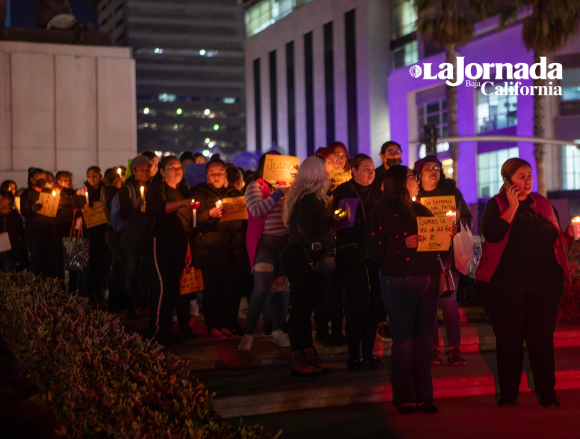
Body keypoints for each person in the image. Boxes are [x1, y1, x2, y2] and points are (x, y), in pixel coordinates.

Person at [476, 158, 573, 408]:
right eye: (521, 176)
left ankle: (547, 392)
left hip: (544, 286)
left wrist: (569, 235)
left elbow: (554, 239)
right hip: (506, 288)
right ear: (507, 180)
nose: (527, 180)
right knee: (509, 339)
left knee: (542, 339)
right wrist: (512, 205)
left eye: (529, 175)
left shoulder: (542, 203)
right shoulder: (496, 205)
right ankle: (509, 394)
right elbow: (493, 233)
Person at [367, 165, 457, 414]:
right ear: (397, 182)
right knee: (404, 343)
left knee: (425, 343)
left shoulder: (421, 209)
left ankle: (425, 396)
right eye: (412, 177)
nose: (417, 181)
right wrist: (401, 243)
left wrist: (446, 236)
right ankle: (405, 396)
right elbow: (374, 251)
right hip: (398, 282)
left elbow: (439, 249)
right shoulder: (381, 212)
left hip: (427, 282)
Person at [282, 156, 343, 376]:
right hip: (302, 257)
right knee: (301, 309)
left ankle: (307, 353)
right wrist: (332, 217)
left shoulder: (306, 197)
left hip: (300, 256)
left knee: (305, 307)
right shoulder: (308, 198)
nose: (328, 174)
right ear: (317, 174)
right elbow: (307, 228)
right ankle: (299, 359)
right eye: (325, 170)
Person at [414, 155, 473, 366]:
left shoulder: (452, 193)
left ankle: (455, 350)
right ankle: (434, 351)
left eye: (436, 167)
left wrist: (457, 219)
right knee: (428, 304)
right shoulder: (414, 196)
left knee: (448, 301)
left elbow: (468, 219)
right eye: (427, 168)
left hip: (447, 256)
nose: (433, 171)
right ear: (418, 175)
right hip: (423, 257)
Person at [332, 154, 382, 370]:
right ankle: (354, 355)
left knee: (374, 304)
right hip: (353, 254)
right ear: (354, 170)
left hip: (375, 255)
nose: (371, 173)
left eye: (372, 169)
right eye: (366, 169)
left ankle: (368, 352)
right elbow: (336, 221)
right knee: (357, 305)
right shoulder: (343, 192)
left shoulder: (379, 193)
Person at [238, 152, 291, 352]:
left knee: (280, 285)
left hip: (284, 242)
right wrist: (278, 193)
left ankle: (277, 329)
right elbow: (257, 210)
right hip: (264, 243)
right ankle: (249, 333)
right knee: (261, 288)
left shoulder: (287, 185)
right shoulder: (255, 186)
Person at [145, 156, 195, 345]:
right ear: (161, 172)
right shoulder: (157, 189)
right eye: (172, 168)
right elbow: (157, 209)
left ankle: (166, 330)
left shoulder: (182, 191)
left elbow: (185, 221)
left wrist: (188, 245)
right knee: (162, 286)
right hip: (160, 244)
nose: (177, 171)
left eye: (179, 167)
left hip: (179, 244)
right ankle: (156, 331)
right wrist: (182, 204)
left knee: (174, 288)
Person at [191, 155, 244, 336]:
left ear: (226, 175)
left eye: (220, 173)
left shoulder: (235, 194)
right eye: (212, 174)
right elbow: (193, 218)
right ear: (207, 175)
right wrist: (209, 214)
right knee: (212, 289)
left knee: (230, 289)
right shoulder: (199, 193)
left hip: (232, 249)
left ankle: (227, 324)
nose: (216, 177)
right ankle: (213, 325)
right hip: (209, 249)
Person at [119, 156, 152, 318]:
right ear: (133, 171)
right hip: (133, 235)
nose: (145, 173)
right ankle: (130, 305)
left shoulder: (153, 187)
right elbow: (123, 213)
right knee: (131, 271)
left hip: (148, 235)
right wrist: (134, 206)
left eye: (147, 169)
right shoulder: (127, 189)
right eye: (142, 170)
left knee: (145, 271)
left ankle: (143, 304)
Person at [20, 168, 60, 279]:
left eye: (44, 177)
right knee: (37, 265)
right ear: (32, 180)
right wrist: (33, 209)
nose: (42, 179)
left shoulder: (48, 191)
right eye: (39, 177)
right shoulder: (27, 194)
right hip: (35, 235)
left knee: (51, 265)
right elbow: (24, 211)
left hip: (51, 234)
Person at [80, 166, 108, 300]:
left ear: (100, 176)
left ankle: (101, 288)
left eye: (95, 175)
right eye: (89, 175)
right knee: (89, 261)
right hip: (89, 231)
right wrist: (83, 208)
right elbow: (75, 208)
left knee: (102, 260)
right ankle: (89, 290)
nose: (92, 178)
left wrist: (103, 206)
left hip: (103, 230)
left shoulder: (105, 190)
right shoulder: (82, 192)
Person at [101, 168, 124, 312]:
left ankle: (114, 301)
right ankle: (116, 301)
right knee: (118, 266)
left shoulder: (105, 190)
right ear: (116, 179)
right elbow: (117, 216)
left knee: (116, 265)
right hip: (115, 232)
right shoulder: (114, 192)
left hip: (109, 232)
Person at [0, 190, 24, 273]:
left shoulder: (15, 215)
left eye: (2, 199)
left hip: (11, 254)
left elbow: (21, 233)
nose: (0, 201)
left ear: (9, 200)